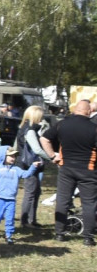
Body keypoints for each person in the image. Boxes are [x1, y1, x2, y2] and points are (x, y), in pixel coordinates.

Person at [40, 99, 97, 245]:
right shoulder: (94, 128)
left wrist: (52, 155)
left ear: (74, 110)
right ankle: (88, 238)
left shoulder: (62, 124)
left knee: (63, 200)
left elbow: (44, 138)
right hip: (88, 170)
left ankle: (59, 234)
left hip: (66, 168)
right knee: (89, 203)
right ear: (89, 111)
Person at [0, 145, 40, 243]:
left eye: (14, 156)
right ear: (3, 156)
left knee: (10, 218)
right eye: (11, 156)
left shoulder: (16, 169)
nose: (13, 158)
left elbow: (26, 174)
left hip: (11, 199)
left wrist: (33, 167)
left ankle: (8, 235)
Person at [14, 105, 51, 229]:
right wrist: (52, 156)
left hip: (28, 164)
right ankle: (25, 221)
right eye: (40, 116)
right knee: (30, 193)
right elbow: (37, 149)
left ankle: (31, 219)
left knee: (35, 192)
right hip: (30, 165)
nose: (42, 118)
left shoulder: (24, 128)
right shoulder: (29, 130)